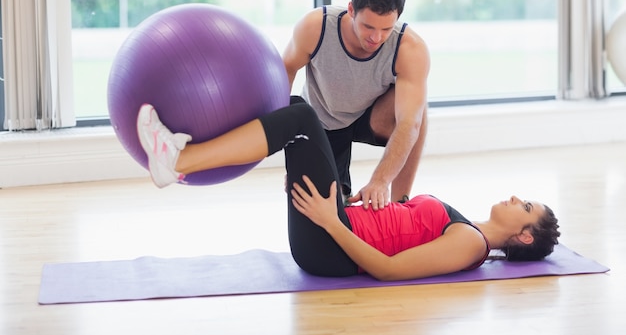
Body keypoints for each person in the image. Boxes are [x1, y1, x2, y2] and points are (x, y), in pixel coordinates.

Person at [136, 97, 561, 281]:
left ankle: (178, 161)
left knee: (302, 119)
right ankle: (182, 155)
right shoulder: (466, 226)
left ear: (524, 235)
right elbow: (397, 230)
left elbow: (388, 270)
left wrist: (330, 221)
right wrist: (343, 205)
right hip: (335, 221)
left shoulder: (471, 244)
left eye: (525, 206)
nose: (513, 197)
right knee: (295, 108)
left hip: (331, 246)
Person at [282, 0, 430, 211]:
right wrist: (294, 153)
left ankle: (401, 205)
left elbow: (408, 124)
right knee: (325, 208)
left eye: (385, 29)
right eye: (368, 26)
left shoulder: (411, 49)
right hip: (321, 120)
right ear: (351, 10)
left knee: (417, 112)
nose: (376, 37)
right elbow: (285, 70)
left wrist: (380, 181)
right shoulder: (315, 27)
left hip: (368, 116)